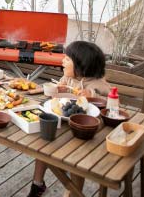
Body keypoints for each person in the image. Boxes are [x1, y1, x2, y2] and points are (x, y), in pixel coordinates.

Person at [28, 41, 109, 197]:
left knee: (73, 159)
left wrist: (94, 96)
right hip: (64, 126)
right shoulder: (68, 78)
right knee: (43, 142)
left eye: (67, 59)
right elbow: (57, 100)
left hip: (86, 134)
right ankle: (37, 184)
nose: (62, 61)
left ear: (80, 64)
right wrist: (58, 90)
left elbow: (114, 104)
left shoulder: (99, 84)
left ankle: (73, 191)